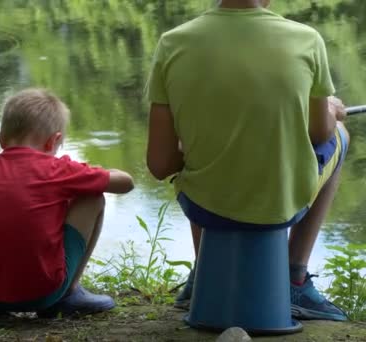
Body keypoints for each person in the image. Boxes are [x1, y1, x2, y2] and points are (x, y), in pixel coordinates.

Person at [145, 0, 349, 321]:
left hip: (203, 206)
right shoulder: (306, 39)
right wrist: (332, 111)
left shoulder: (173, 42)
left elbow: (159, 164)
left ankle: (204, 274)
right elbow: (320, 133)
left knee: (193, 145)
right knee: (339, 134)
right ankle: (295, 276)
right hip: (281, 205)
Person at [0, 88, 134, 317]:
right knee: (91, 197)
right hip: (43, 291)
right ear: (53, 141)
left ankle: (1, 302)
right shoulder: (58, 169)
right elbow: (126, 183)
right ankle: (69, 293)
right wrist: (95, 174)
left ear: (1, 138)